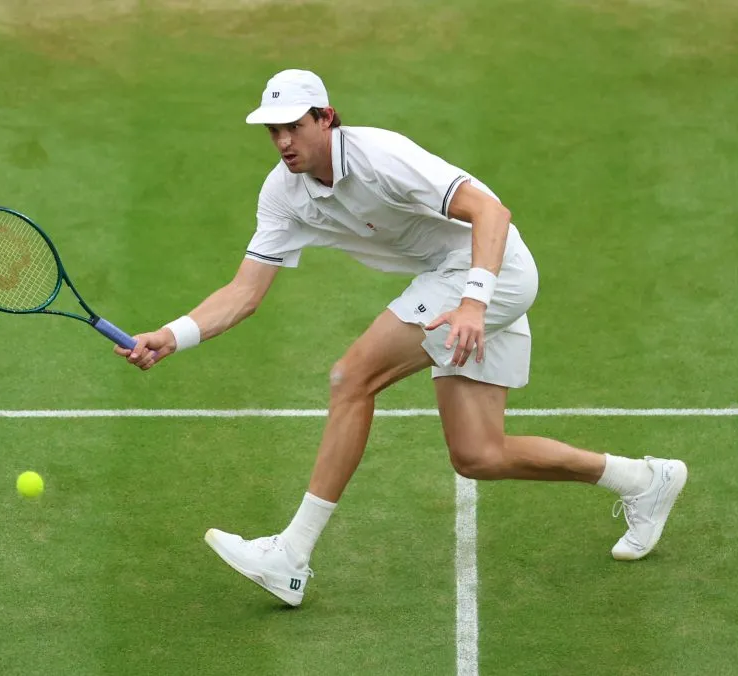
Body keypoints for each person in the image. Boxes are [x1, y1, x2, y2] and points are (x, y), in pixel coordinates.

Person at [114, 69, 688, 607]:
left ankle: (291, 555)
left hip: (489, 273)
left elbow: (492, 211)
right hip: (458, 282)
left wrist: (473, 300)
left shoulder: (380, 157)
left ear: (326, 119)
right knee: (478, 454)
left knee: (351, 377)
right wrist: (172, 335)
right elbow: (245, 292)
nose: (284, 140)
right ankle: (643, 480)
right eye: (274, 130)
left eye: (295, 126)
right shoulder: (282, 194)